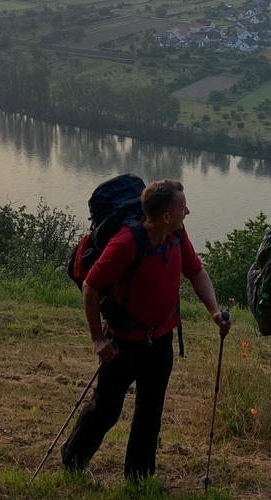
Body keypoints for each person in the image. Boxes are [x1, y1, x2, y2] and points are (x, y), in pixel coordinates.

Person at [62, 178, 232, 481]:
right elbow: (91, 287)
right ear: (165, 215)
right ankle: (73, 462)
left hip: (161, 339)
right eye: (182, 208)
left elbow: (195, 271)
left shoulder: (176, 234)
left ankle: (139, 478)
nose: (187, 212)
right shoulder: (126, 243)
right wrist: (98, 339)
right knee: (107, 408)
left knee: (150, 411)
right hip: (123, 343)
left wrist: (215, 311)